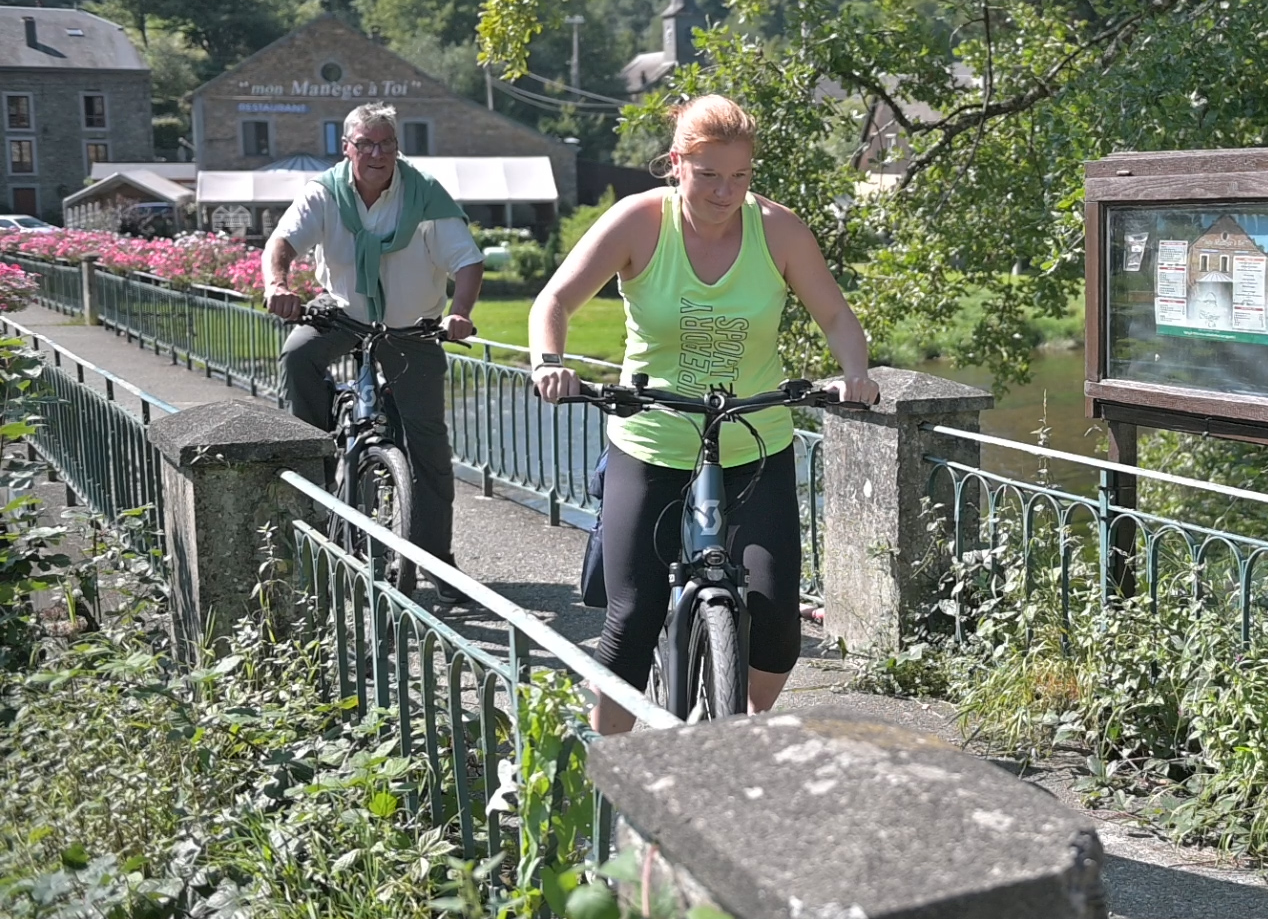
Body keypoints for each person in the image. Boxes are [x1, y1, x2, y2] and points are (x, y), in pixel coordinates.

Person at [529, 94, 879, 733]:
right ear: (675, 164)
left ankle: (739, 727)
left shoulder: (779, 230)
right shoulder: (638, 223)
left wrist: (856, 372)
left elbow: (835, 314)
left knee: (775, 619)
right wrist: (549, 359)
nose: (726, 192)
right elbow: (554, 299)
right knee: (632, 618)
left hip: (755, 436)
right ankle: (610, 770)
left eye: (741, 176)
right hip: (654, 435)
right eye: (709, 174)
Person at [262, 102, 485, 605]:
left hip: (412, 329)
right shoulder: (323, 192)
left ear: (397, 148)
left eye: (387, 143)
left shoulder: (424, 194)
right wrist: (278, 284)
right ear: (348, 149)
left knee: (427, 444)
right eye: (366, 144)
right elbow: (282, 243)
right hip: (341, 315)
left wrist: (460, 312)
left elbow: (467, 260)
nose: (377, 153)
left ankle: (437, 562)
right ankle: (314, 453)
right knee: (299, 353)